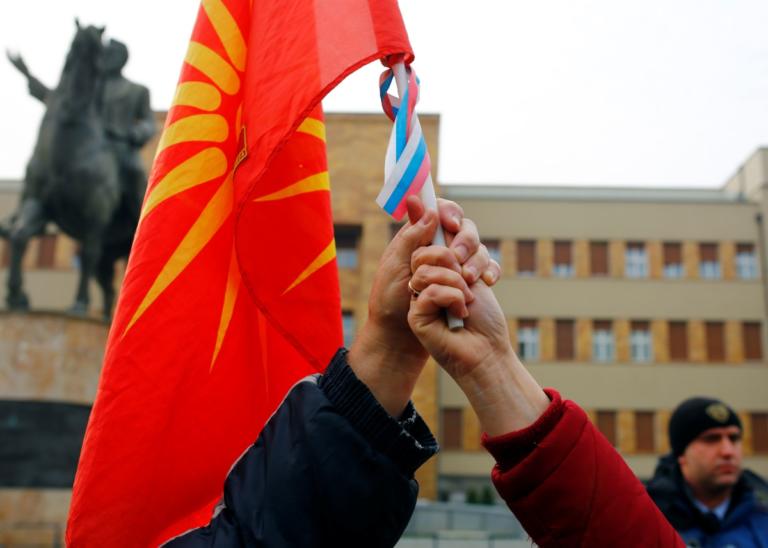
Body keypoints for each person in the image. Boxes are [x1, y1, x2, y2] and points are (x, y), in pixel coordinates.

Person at [8, 38, 156, 218]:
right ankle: (21, 211)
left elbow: (149, 123)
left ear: (121, 58)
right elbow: (54, 99)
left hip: (119, 146)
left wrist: (135, 133)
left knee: (135, 171)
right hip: (89, 145)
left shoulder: (136, 90)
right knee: (42, 167)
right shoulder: (90, 88)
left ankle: (142, 219)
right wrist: (26, 73)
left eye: (111, 54)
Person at [646, 397, 768, 546]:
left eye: (734, 438)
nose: (727, 451)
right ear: (681, 455)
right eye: (711, 439)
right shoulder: (649, 517)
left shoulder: (761, 513)